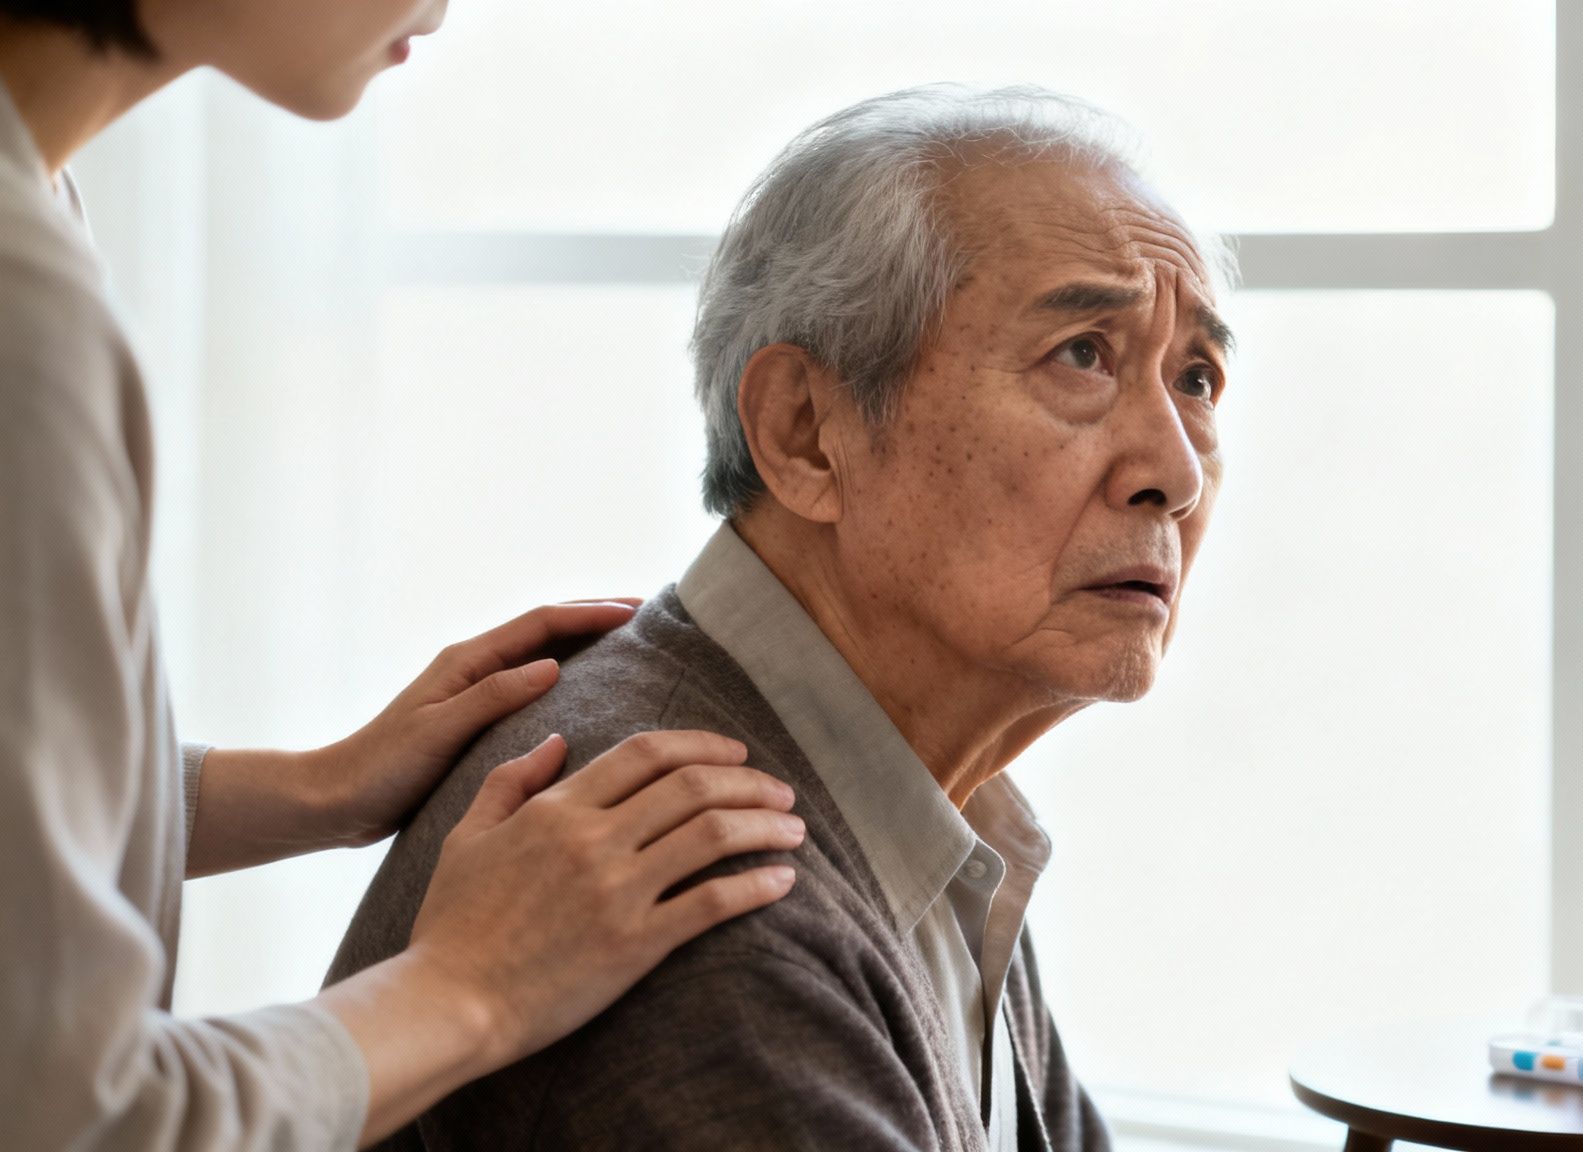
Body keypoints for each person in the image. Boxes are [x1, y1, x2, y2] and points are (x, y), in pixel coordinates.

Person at [329, 85, 1235, 1151]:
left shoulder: (938, 810)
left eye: (1196, 378)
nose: (1175, 473)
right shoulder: (693, 876)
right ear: (805, 432)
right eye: (1082, 353)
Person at [0, 2, 806, 1149]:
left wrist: (315, 790)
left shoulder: (41, 211)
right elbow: (70, 1117)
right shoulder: (22, 313)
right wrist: (471, 986)